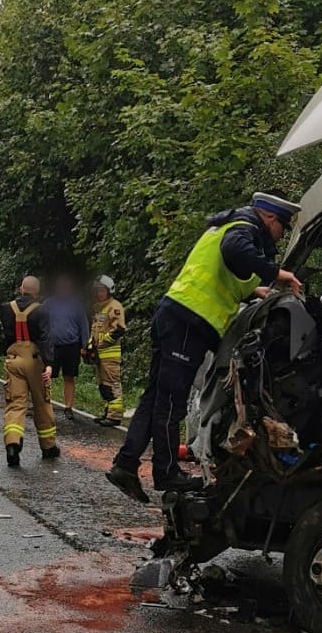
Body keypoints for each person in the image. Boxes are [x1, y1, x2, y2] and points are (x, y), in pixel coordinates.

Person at [105, 191, 302, 504]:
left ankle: (126, 466)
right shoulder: (245, 227)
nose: (281, 234)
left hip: (176, 316)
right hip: (188, 322)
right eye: (283, 226)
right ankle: (167, 472)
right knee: (171, 401)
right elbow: (235, 250)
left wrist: (259, 291)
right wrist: (277, 273)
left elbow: (226, 273)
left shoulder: (230, 225)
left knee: (156, 396)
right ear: (269, 218)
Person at [0, 275, 60, 467]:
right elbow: (46, 338)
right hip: (35, 361)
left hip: (13, 359)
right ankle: (48, 447)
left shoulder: (6, 309)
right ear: (37, 292)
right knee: (42, 403)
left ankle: (12, 443)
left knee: (15, 404)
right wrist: (49, 363)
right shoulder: (42, 311)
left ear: (21, 289)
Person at [44, 274, 90, 420]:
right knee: (47, 376)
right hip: (52, 346)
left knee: (69, 376)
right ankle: (44, 404)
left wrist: (85, 346)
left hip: (71, 346)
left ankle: (68, 407)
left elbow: (84, 326)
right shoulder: (49, 304)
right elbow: (40, 322)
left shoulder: (76, 305)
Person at [88, 275, 126, 427]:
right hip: (99, 355)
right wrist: (89, 346)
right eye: (97, 291)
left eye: (102, 291)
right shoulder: (100, 308)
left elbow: (119, 330)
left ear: (109, 290)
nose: (99, 294)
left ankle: (115, 416)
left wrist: (102, 343)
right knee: (104, 385)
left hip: (110, 355)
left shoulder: (114, 306)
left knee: (113, 384)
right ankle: (108, 411)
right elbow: (95, 331)